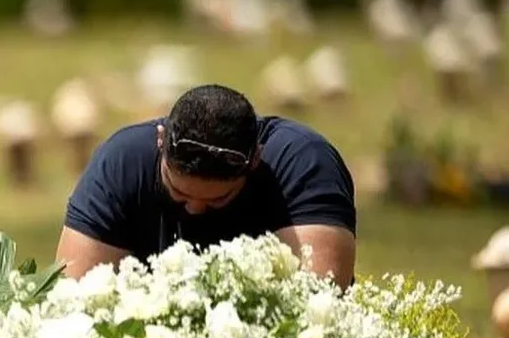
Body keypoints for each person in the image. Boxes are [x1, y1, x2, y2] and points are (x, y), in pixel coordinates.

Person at [55, 83, 357, 288]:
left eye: (218, 199)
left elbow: (320, 303)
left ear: (255, 160)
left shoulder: (302, 162)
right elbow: (73, 298)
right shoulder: (122, 162)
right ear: (160, 142)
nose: (195, 210)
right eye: (180, 193)